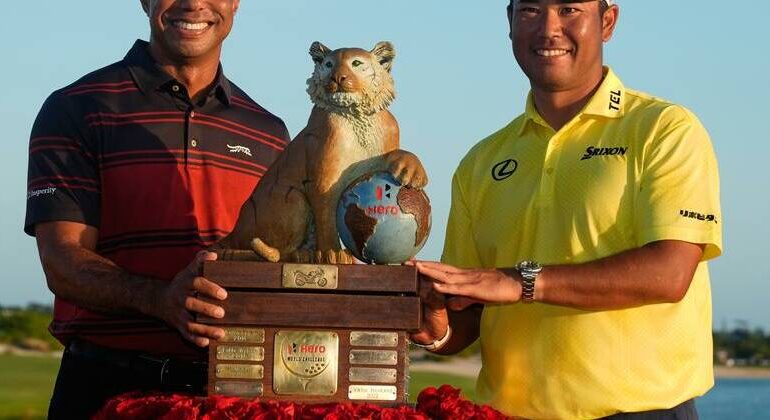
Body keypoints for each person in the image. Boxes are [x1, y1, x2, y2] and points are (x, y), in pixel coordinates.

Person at [409, 0, 722, 418]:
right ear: (510, 22)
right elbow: (468, 311)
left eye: (569, 9)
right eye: (531, 11)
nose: (549, 29)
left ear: (607, 22)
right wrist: (436, 330)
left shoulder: (665, 129)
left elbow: (669, 274)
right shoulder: (481, 161)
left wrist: (521, 281)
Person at [25, 1, 290, 418]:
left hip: (234, 395)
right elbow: (62, 261)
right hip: (105, 388)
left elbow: (286, 268)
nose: (193, 3)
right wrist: (160, 298)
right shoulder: (75, 107)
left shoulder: (269, 133)